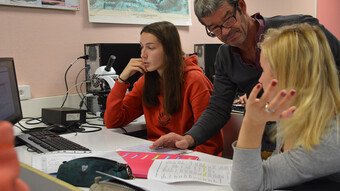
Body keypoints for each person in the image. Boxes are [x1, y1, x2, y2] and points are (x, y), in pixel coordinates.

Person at [150, 0, 340, 155]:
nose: (224, 32)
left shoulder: (298, 30)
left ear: (241, 6)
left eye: (228, 21)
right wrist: (188, 138)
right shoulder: (225, 57)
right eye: (214, 28)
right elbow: (218, 108)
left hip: (316, 138)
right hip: (271, 143)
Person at [231, 23, 340, 190]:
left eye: (265, 70)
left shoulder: (327, 139)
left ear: (289, 76)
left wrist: (252, 123)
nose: (260, 79)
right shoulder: (295, 113)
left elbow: (247, 185)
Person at [103, 21, 223, 156]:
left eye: (151, 47)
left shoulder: (195, 81)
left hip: (189, 158)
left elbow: (211, 144)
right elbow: (113, 121)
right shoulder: (146, 80)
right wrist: (121, 80)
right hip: (156, 155)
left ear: (169, 50)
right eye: (141, 47)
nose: (143, 54)